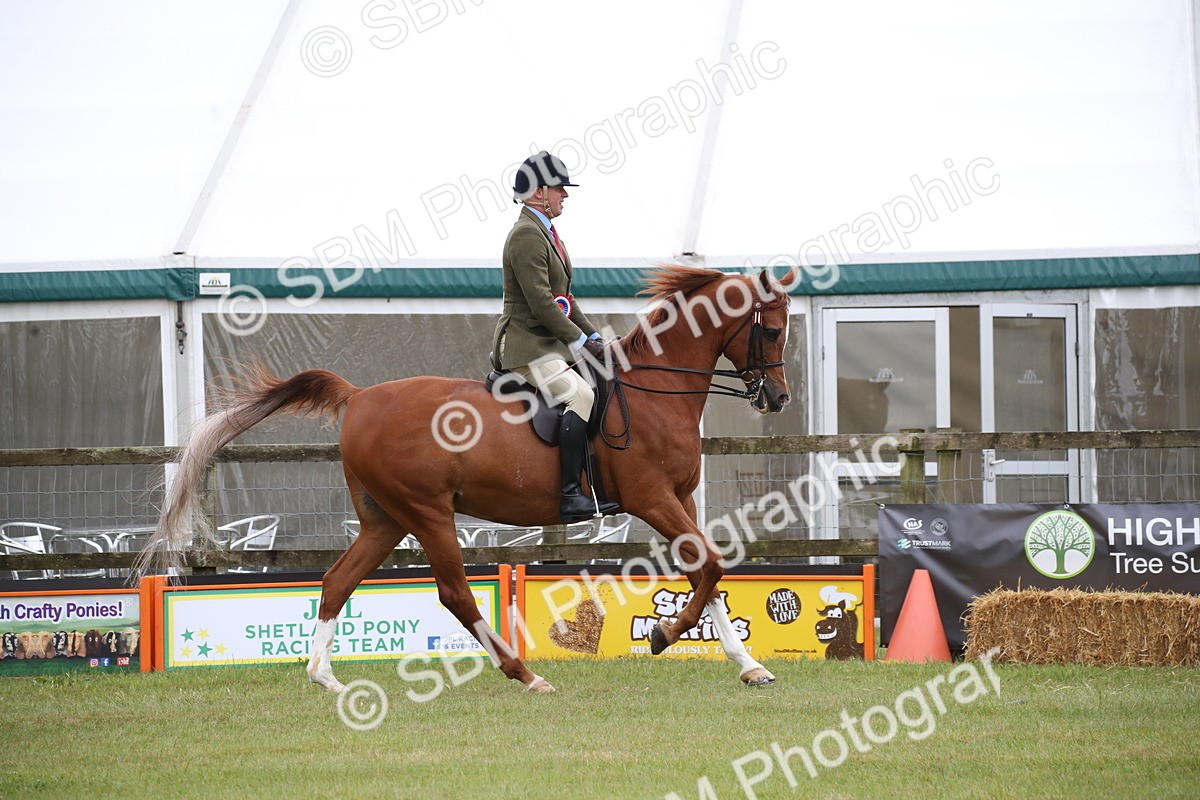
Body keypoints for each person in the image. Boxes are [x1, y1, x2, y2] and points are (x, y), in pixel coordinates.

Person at [491, 150, 619, 523]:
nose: (566, 194)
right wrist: (579, 342)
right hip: (525, 345)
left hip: (547, 343)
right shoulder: (526, 235)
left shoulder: (547, 233)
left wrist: (597, 339)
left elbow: (564, 300)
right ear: (537, 193)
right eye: (559, 188)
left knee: (602, 378)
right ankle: (569, 495)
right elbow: (542, 303)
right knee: (581, 393)